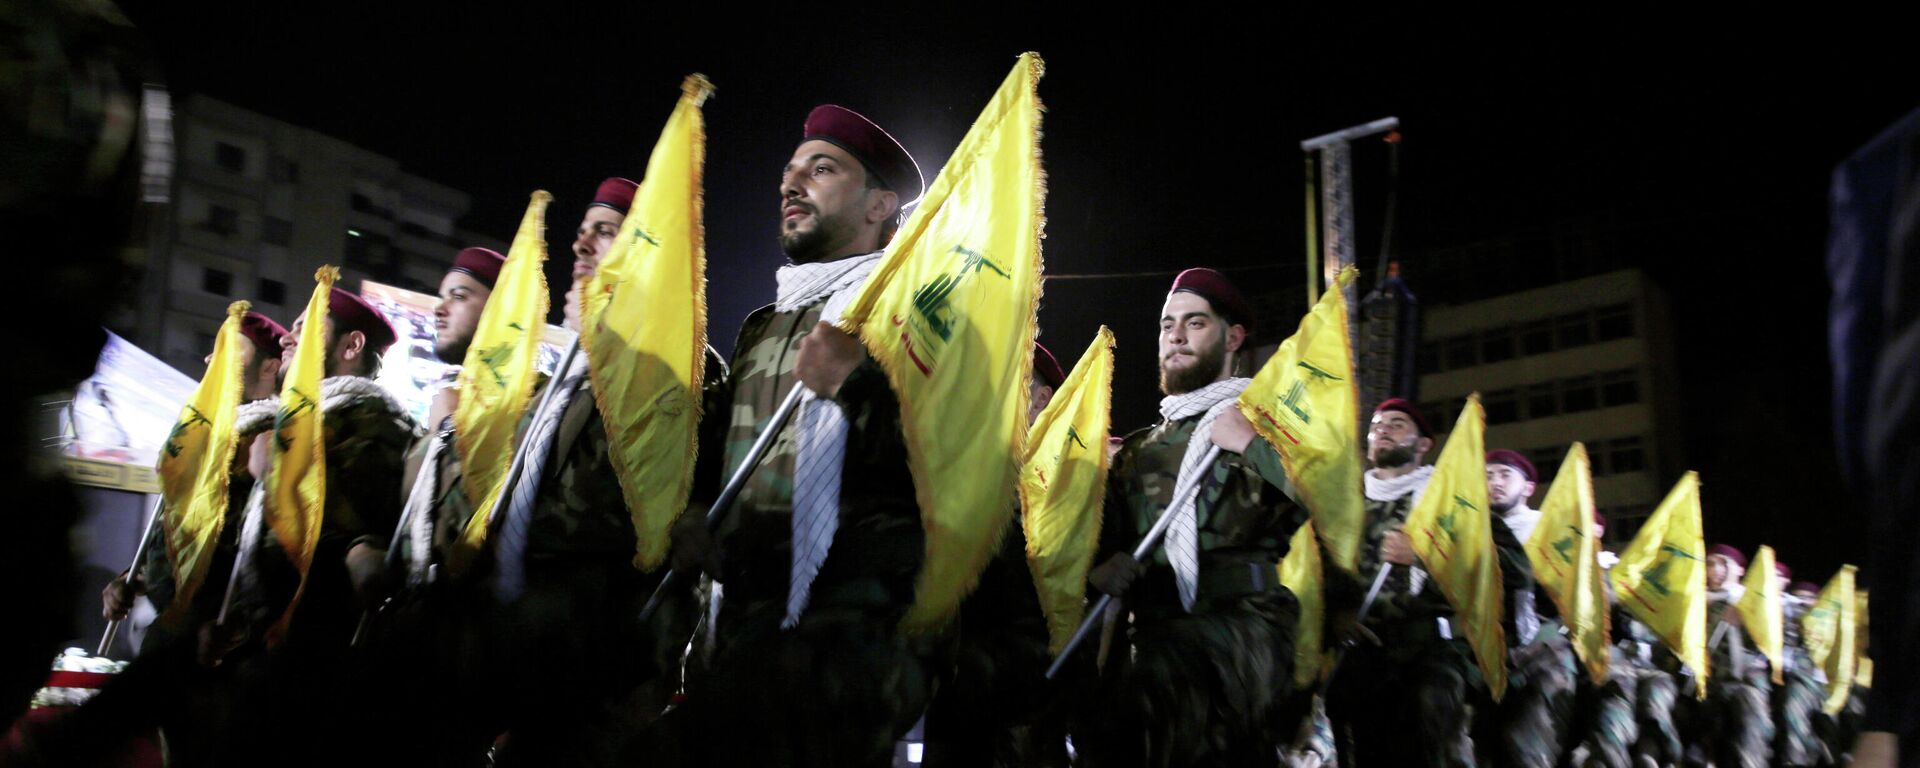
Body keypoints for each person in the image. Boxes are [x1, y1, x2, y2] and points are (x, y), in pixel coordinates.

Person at [663, 103, 930, 768]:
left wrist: (857, 384)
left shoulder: (915, 317)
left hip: (844, 640)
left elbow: (960, 465)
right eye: (789, 172)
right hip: (744, 622)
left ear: (878, 206)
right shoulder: (763, 326)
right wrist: (696, 512)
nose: (791, 183)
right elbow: (719, 453)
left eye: (822, 169)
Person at [1074, 267, 1309, 767]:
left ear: (1234, 337)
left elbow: (1332, 504)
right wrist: (1101, 568)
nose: (1176, 336)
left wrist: (1249, 443)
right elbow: (1101, 542)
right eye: (1167, 324)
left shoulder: (1271, 426)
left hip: (1239, 642)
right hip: (1152, 640)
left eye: (1195, 323)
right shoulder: (1137, 451)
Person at [216, 286, 420, 767]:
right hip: (260, 649)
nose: (287, 339)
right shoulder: (297, 423)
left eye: (306, 330)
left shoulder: (372, 420)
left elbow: (345, 541)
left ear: (350, 347)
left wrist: (276, 471)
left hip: (311, 660)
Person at [1324, 398, 1533, 767]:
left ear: (1422, 445)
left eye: (1397, 423)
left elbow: (1514, 568)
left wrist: (1428, 555)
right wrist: (1337, 615)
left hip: (1430, 653)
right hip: (1359, 651)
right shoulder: (1342, 501)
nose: (1383, 429)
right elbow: (1317, 568)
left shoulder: (1452, 499)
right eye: (1377, 424)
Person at [921, 343, 1070, 768]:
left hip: (1026, 699)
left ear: (1042, 399)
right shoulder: (961, 478)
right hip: (956, 698)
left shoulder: (1070, 481)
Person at [1486, 448, 1576, 767]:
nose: (1494, 481)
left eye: (1504, 474)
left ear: (1528, 488)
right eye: (1487, 475)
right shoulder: (1470, 527)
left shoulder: (1548, 530)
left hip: (1542, 644)